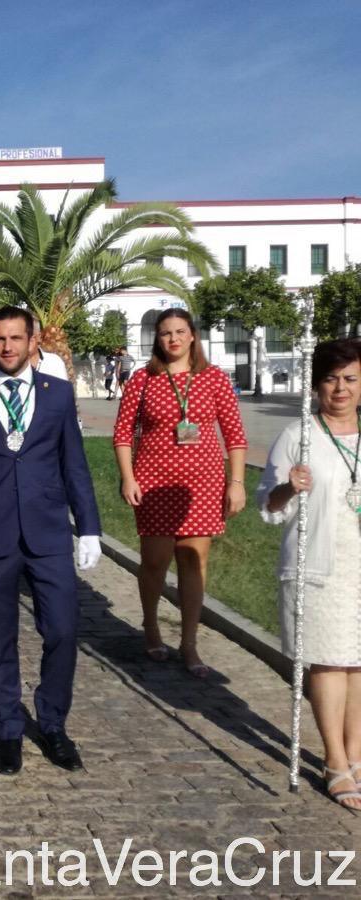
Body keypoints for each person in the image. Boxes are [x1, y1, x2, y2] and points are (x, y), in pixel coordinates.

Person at [0, 307, 102, 775]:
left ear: (33, 341)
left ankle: (52, 723)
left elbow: (74, 463)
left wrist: (89, 527)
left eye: (16, 338)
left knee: (62, 630)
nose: (8, 347)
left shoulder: (57, 394)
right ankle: (7, 728)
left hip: (47, 531)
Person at [113, 309, 247, 678]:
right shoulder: (143, 379)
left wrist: (236, 483)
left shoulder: (214, 378)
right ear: (157, 339)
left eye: (179, 332)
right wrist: (128, 478)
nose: (173, 339)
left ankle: (189, 642)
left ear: (192, 336)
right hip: (154, 482)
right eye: (165, 333)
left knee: (193, 562)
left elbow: (235, 436)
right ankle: (151, 625)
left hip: (202, 485)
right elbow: (123, 434)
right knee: (155, 561)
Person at [258, 339, 361, 808]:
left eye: (350, 379)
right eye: (331, 379)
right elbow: (269, 507)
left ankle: (356, 754)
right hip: (319, 565)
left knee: (357, 662)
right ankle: (334, 760)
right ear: (317, 384)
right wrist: (288, 486)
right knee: (329, 660)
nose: (341, 388)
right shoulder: (298, 434)